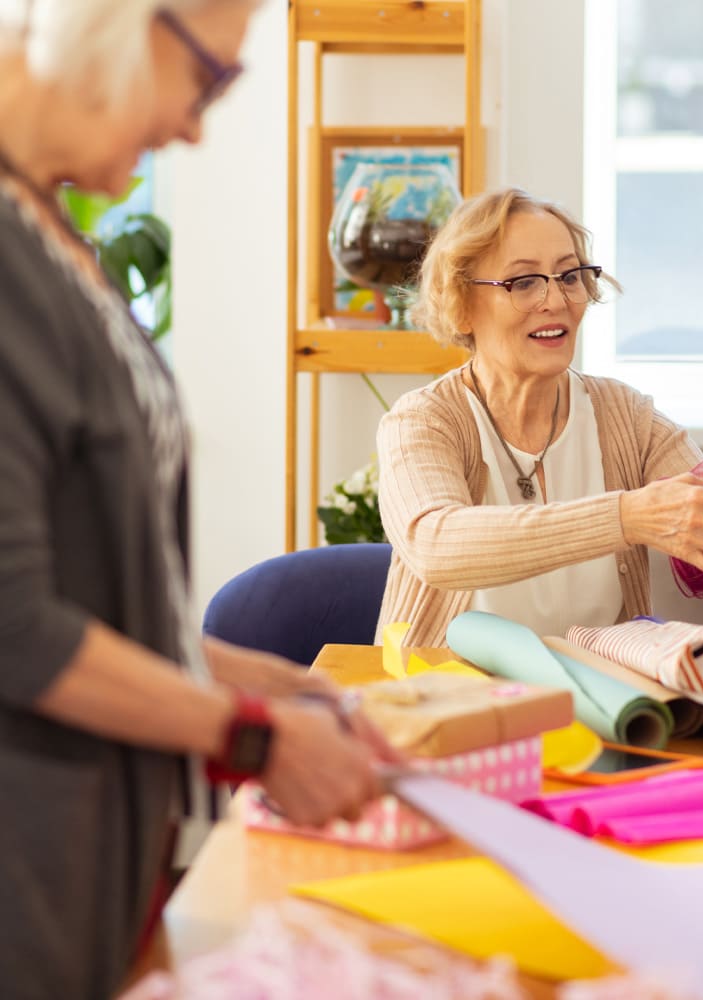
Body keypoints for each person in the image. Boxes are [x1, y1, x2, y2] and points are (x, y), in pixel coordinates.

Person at [0, 3, 393, 997]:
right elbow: (14, 623)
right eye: (209, 80)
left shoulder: (46, 229)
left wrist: (270, 683)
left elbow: (95, 592)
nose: (194, 127)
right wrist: (247, 734)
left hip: (92, 846)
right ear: (119, 25)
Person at [375, 187, 703, 646]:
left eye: (570, 276)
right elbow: (435, 546)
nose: (557, 301)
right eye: (523, 282)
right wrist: (629, 517)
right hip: (446, 712)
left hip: (597, 709)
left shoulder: (625, 419)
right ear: (461, 304)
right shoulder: (422, 422)